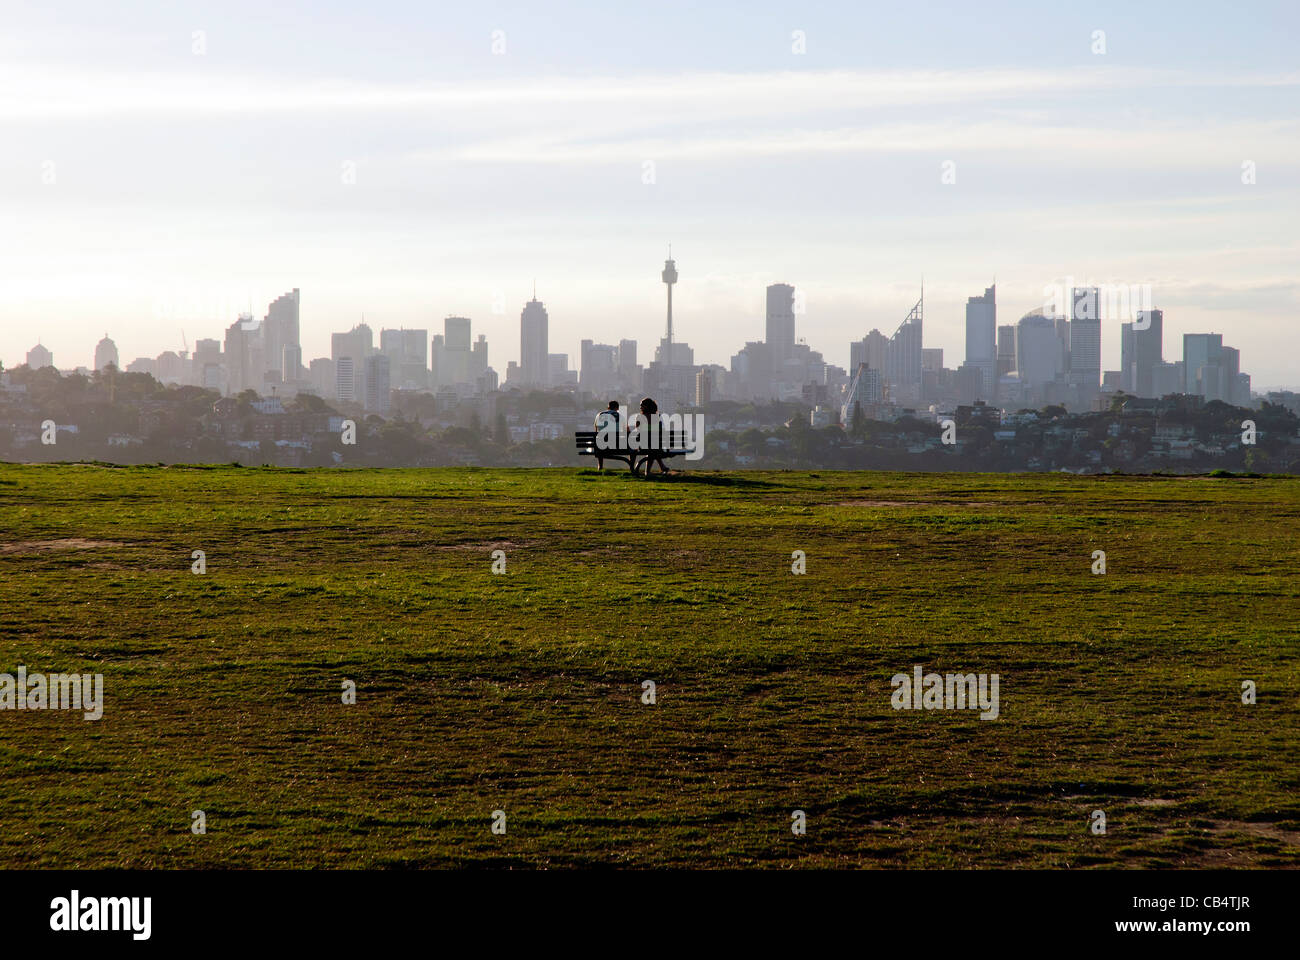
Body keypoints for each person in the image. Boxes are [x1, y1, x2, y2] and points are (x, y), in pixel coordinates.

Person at [637, 397, 671, 475]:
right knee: (654, 449)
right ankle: (660, 467)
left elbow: (638, 430)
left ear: (647, 406)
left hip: (643, 446)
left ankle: (649, 472)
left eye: (642, 405)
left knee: (652, 450)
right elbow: (660, 430)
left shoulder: (640, 417)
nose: (640, 407)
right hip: (657, 447)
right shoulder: (657, 417)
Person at [593, 401, 621, 471]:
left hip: (600, 446)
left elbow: (596, 430)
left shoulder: (599, 414)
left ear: (608, 407)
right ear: (617, 408)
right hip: (615, 446)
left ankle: (600, 466)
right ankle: (631, 467)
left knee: (600, 441)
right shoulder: (619, 415)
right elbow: (626, 431)